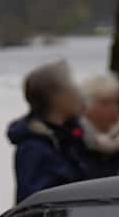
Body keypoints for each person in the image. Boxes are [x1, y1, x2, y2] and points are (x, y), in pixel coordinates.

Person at [7, 61, 88, 203]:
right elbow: (36, 208)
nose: (78, 92)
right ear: (56, 97)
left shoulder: (69, 138)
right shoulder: (33, 149)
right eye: (72, 86)